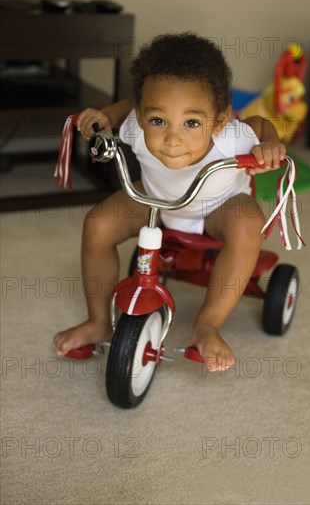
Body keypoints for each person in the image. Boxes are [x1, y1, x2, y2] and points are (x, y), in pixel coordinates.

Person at [54, 32, 285, 372]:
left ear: (219, 120)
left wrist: (270, 145)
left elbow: (262, 125)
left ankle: (208, 324)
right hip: (156, 200)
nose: (173, 139)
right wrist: (104, 116)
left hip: (218, 206)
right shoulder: (135, 125)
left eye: (192, 122)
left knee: (248, 224)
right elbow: (124, 111)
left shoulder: (232, 137)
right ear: (142, 114)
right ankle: (98, 320)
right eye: (158, 120)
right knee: (98, 224)